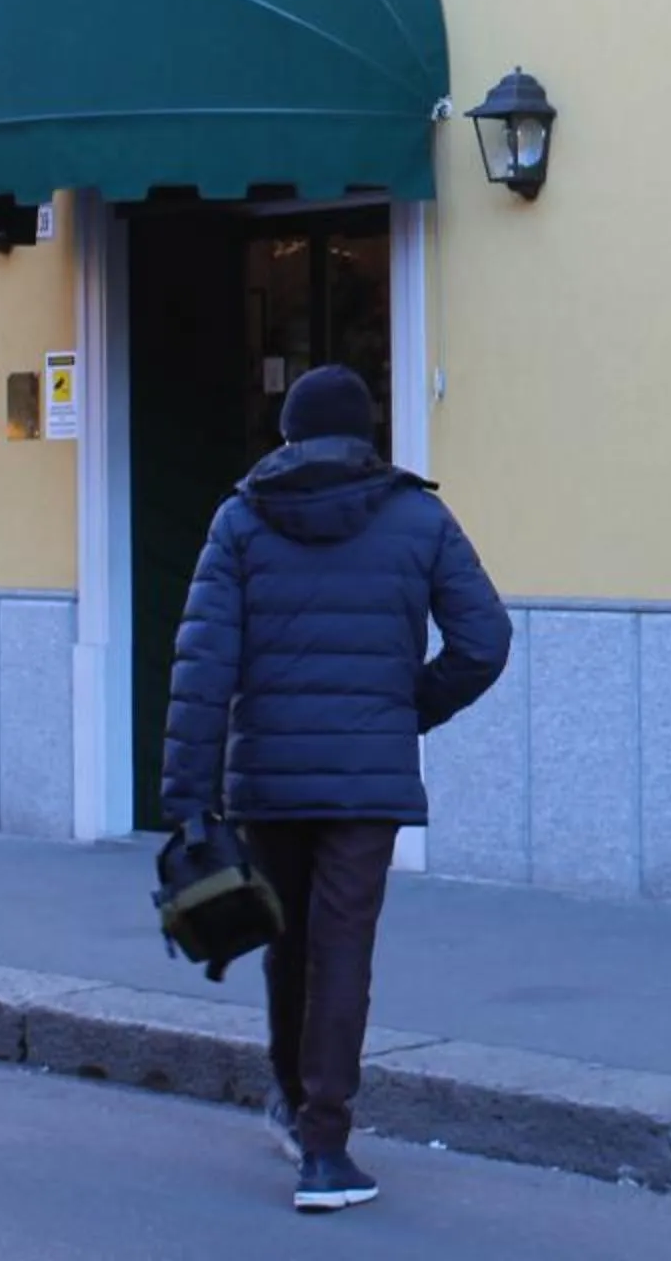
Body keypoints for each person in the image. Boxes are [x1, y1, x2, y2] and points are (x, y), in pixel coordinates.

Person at [160, 364, 513, 1215]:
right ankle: (327, 1145)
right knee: (343, 948)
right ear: (367, 434)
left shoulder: (241, 520)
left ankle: (289, 1099)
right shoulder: (419, 515)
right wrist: (407, 710)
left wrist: (185, 800)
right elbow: (485, 639)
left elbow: (203, 667)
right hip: (369, 781)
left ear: (287, 432)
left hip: (269, 776)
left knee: (287, 941)